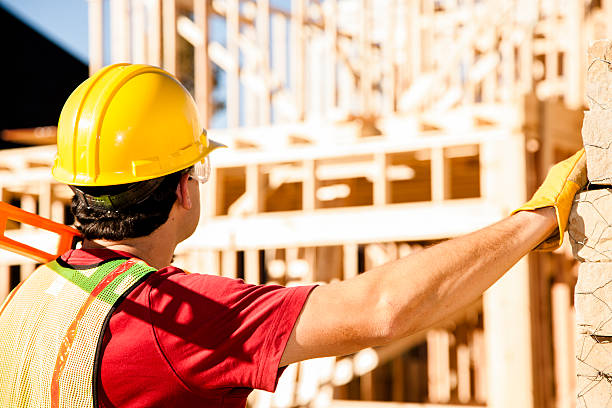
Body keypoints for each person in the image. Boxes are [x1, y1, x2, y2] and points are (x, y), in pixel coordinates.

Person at [0, 63, 587, 408]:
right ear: (183, 189)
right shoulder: (173, 323)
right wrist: (534, 218)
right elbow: (380, 310)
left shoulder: (30, 298)